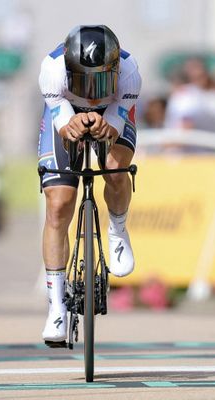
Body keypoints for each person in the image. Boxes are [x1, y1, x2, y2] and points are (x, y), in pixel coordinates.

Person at [37, 25, 141, 345]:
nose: (93, 92)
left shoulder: (130, 73)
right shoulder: (52, 70)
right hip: (66, 111)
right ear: (69, 71)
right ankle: (56, 308)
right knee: (59, 203)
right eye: (84, 80)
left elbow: (115, 122)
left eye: (101, 80)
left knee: (114, 167)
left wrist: (106, 123)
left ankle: (117, 229)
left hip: (112, 113)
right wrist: (71, 124)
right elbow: (63, 124)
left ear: (115, 70)